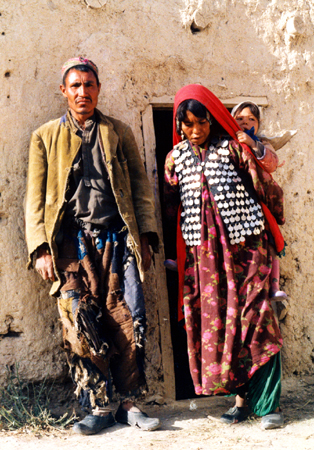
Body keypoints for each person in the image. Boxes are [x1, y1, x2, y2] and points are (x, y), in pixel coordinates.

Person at [25, 57, 160, 435]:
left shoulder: (118, 132)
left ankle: (130, 404)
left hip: (118, 241)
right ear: (64, 91)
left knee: (129, 317)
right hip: (69, 245)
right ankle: (98, 407)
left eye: (89, 85)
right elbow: (34, 199)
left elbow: (139, 188)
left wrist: (145, 236)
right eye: (75, 86)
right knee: (80, 321)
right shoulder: (45, 136)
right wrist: (40, 248)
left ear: (98, 89)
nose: (83, 92)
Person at [164, 84, 285, 429]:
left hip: (246, 251)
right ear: (179, 125)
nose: (196, 131)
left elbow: (267, 186)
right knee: (224, 326)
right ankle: (241, 401)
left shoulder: (234, 148)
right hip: (205, 262)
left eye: (201, 122)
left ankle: (269, 405)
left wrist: (271, 231)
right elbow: (173, 210)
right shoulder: (175, 160)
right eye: (187, 124)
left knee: (258, 319)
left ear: (211, 119)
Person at [231, 101, 287, 301]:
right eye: (240, 119)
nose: (245, 123)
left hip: (260, 204)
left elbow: (271, 163)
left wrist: (253, 144)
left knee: (270, 243)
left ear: (258, 123)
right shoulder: (226, 144)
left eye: (251, 119)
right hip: (235, 206)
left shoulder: (262, 144)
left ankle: (274, 286)